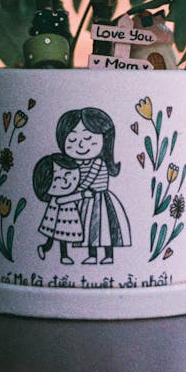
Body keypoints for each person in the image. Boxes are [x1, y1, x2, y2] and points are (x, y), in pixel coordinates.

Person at [56, 108, 131, 264]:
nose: (81, 144)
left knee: (104, 229)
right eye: (72, 140)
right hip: (85, 200)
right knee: (89, 231)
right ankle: (92, 255)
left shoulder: (98, 163)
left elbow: (88, 181)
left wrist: (74, 192)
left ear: (105, 139)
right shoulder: (73, 165)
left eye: (89, 138)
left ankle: (108, 255)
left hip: (100, 200)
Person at [32, 152, 84, 265]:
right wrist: (81, 195)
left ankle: (45, 248)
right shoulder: (57, 198)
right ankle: (62, 255)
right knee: (60, 236)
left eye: (69, 175)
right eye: (58, 178)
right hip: (57, 218)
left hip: (66, 216)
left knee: (56, 236)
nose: (65, 181)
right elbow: (62, 201)